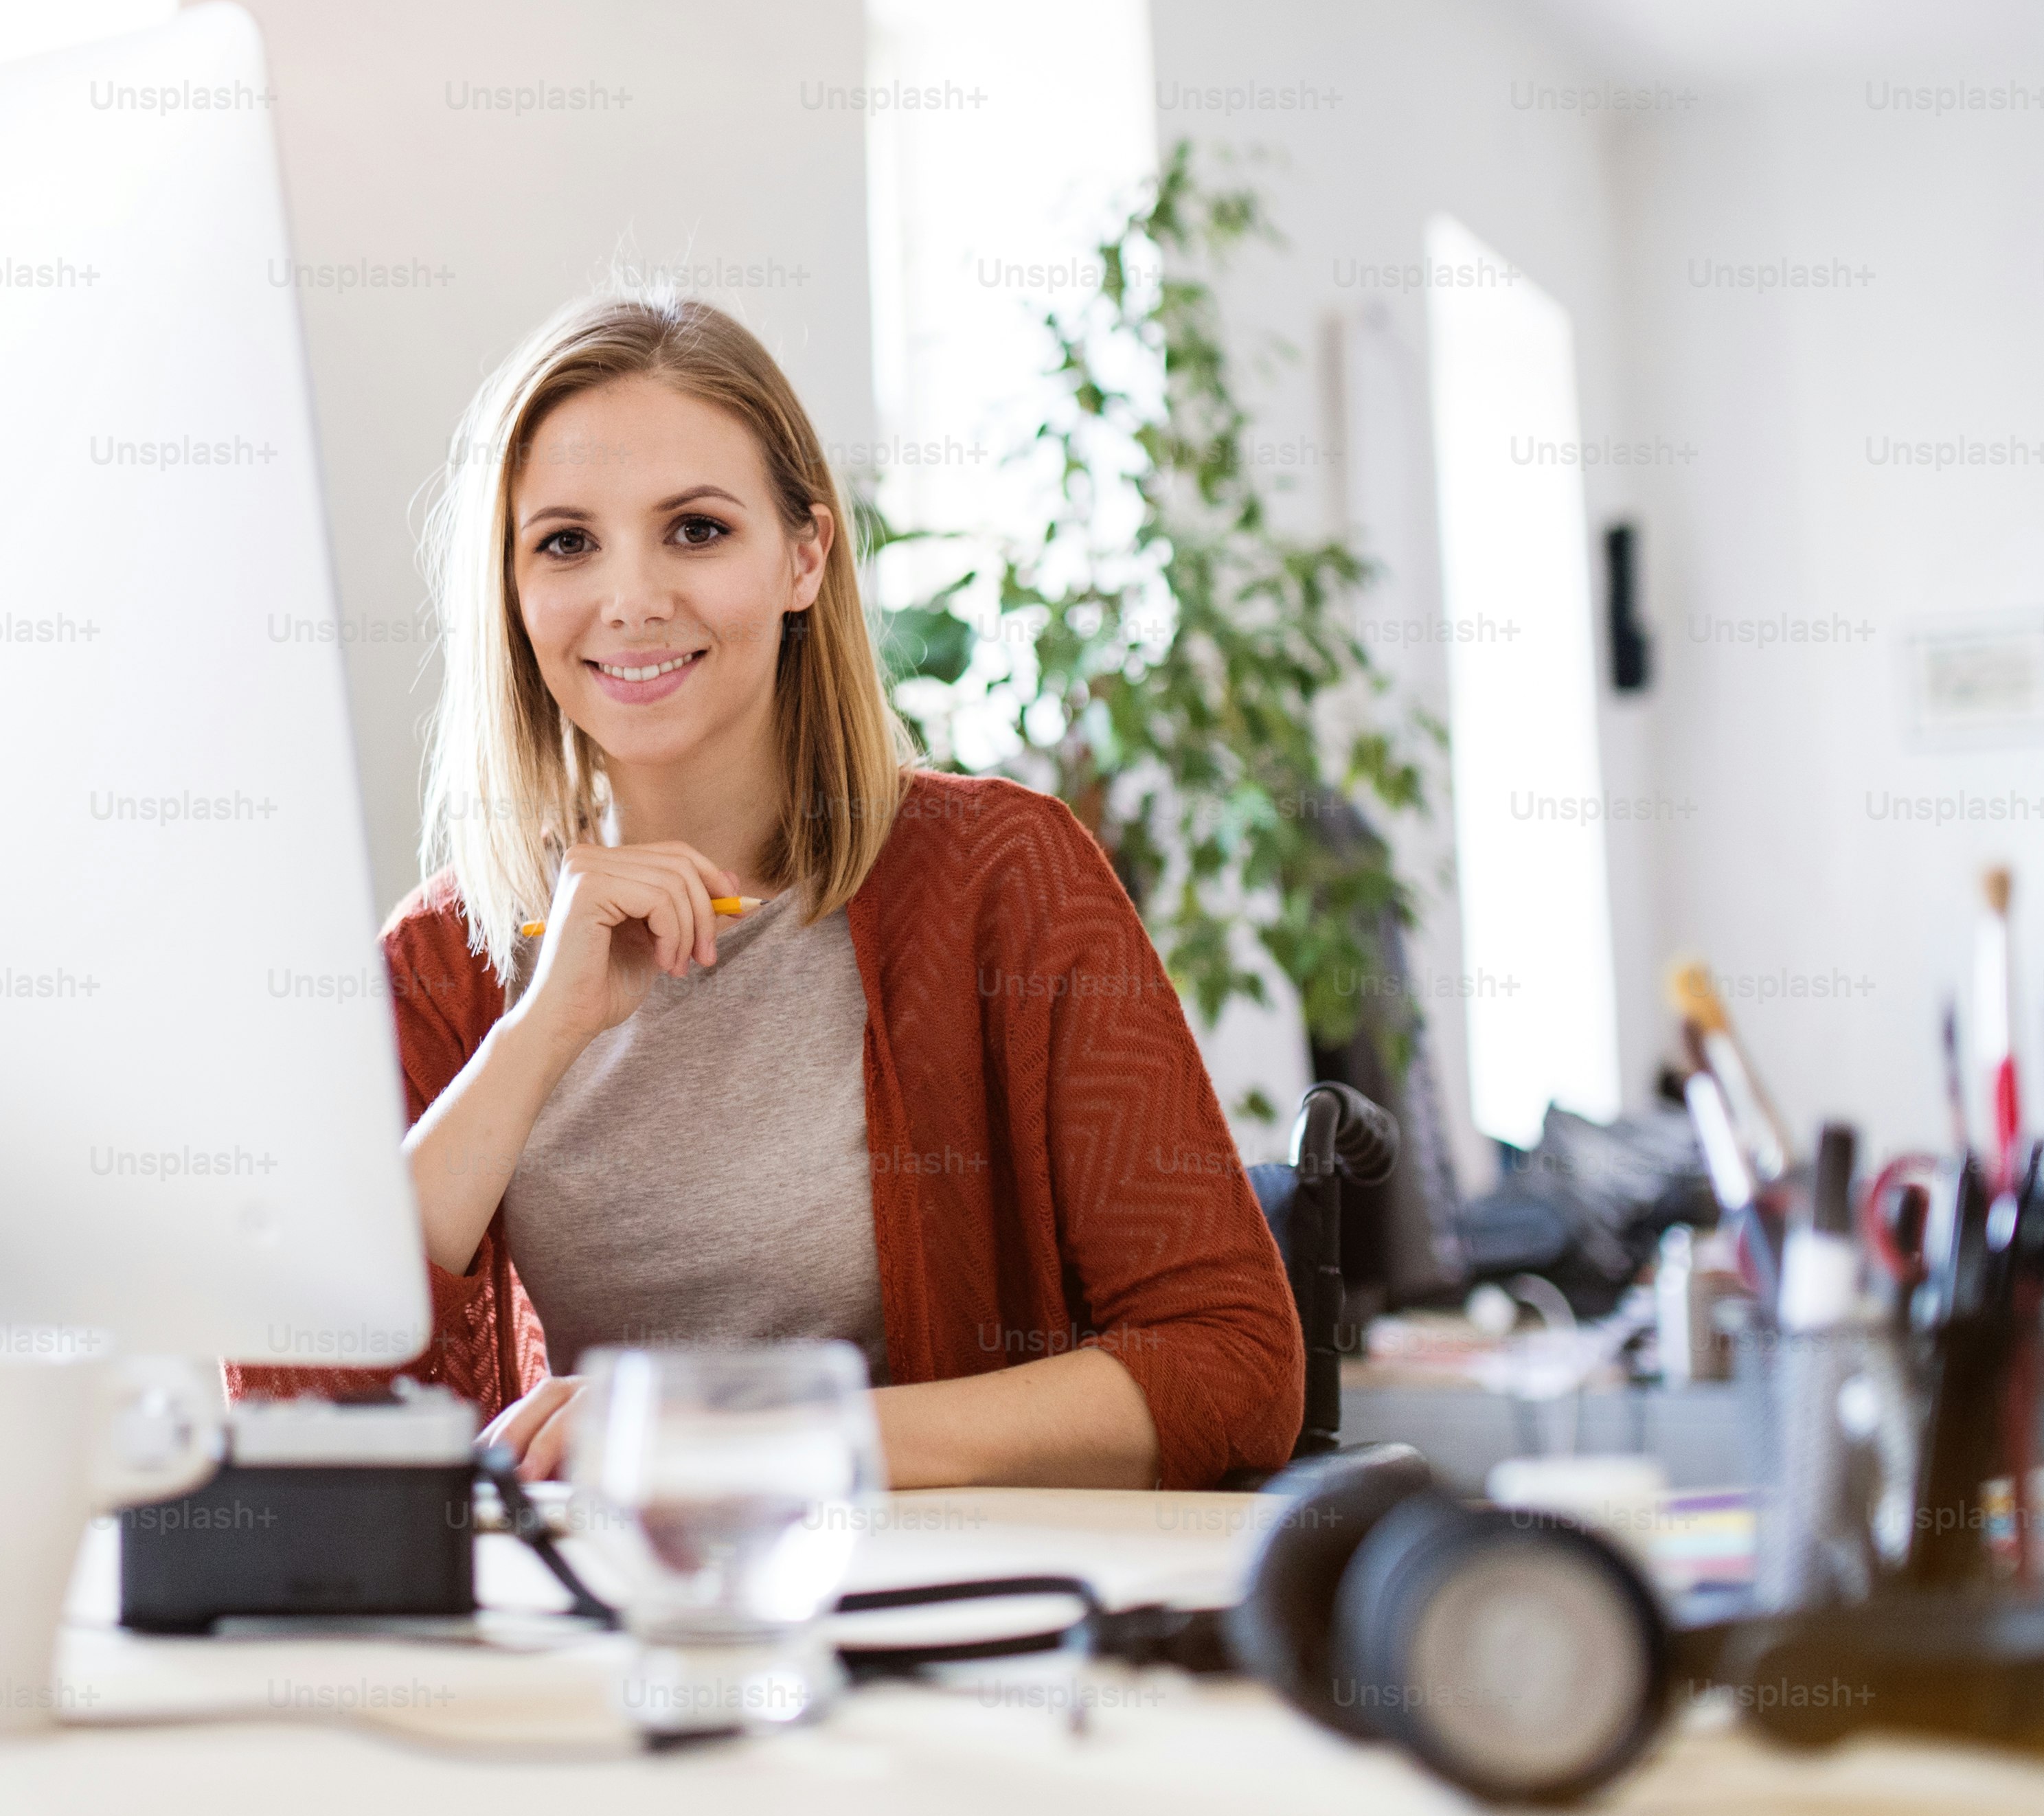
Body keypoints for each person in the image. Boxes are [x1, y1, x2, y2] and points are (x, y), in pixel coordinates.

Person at [248, 289, 1299, 1488]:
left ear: (805, 555)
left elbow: (1234, 1371)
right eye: (566, 542)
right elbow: (288, 1401)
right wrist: (538, 1037)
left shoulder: (1002, 878)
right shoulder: (447, 962)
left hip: (939, 1622)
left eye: (695, 530)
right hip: (595, 1632)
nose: (631, 598)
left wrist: (753, 1433)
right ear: (513, 592)